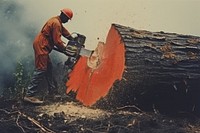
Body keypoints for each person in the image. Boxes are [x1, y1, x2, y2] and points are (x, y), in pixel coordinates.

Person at [23, 8, 74, 104]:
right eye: (67, 19)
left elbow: (63, 31)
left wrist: (72, 39)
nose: (67, 21)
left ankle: (52, 92)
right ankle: (29, 95)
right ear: (64, 16)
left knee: (49, 68)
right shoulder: (56, 23)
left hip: (43, 44)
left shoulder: (56, 21)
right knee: (41, 69)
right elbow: (57, 41)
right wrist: (65, 50)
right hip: (42, 45)